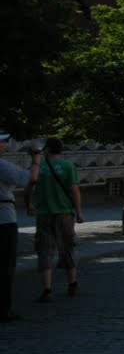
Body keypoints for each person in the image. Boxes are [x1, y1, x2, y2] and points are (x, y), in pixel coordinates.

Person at [25, 137, 84, 302]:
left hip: (43, 214)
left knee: (44, 251)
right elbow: (74, 191)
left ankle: (47, 289)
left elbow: (30, 184)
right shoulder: (68, 166)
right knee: (67, 249)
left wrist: (29, 204)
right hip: (64, 213)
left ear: (48, 150)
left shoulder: (39, 166)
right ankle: (72, 283)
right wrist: (79, 212)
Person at [0, 132, 40, 322]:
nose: (6, 145)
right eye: (3, 142)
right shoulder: (1, 166)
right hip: (3, 219)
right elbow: (29, 179)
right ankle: (4, 309)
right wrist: (35, 159)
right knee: (6, 265)